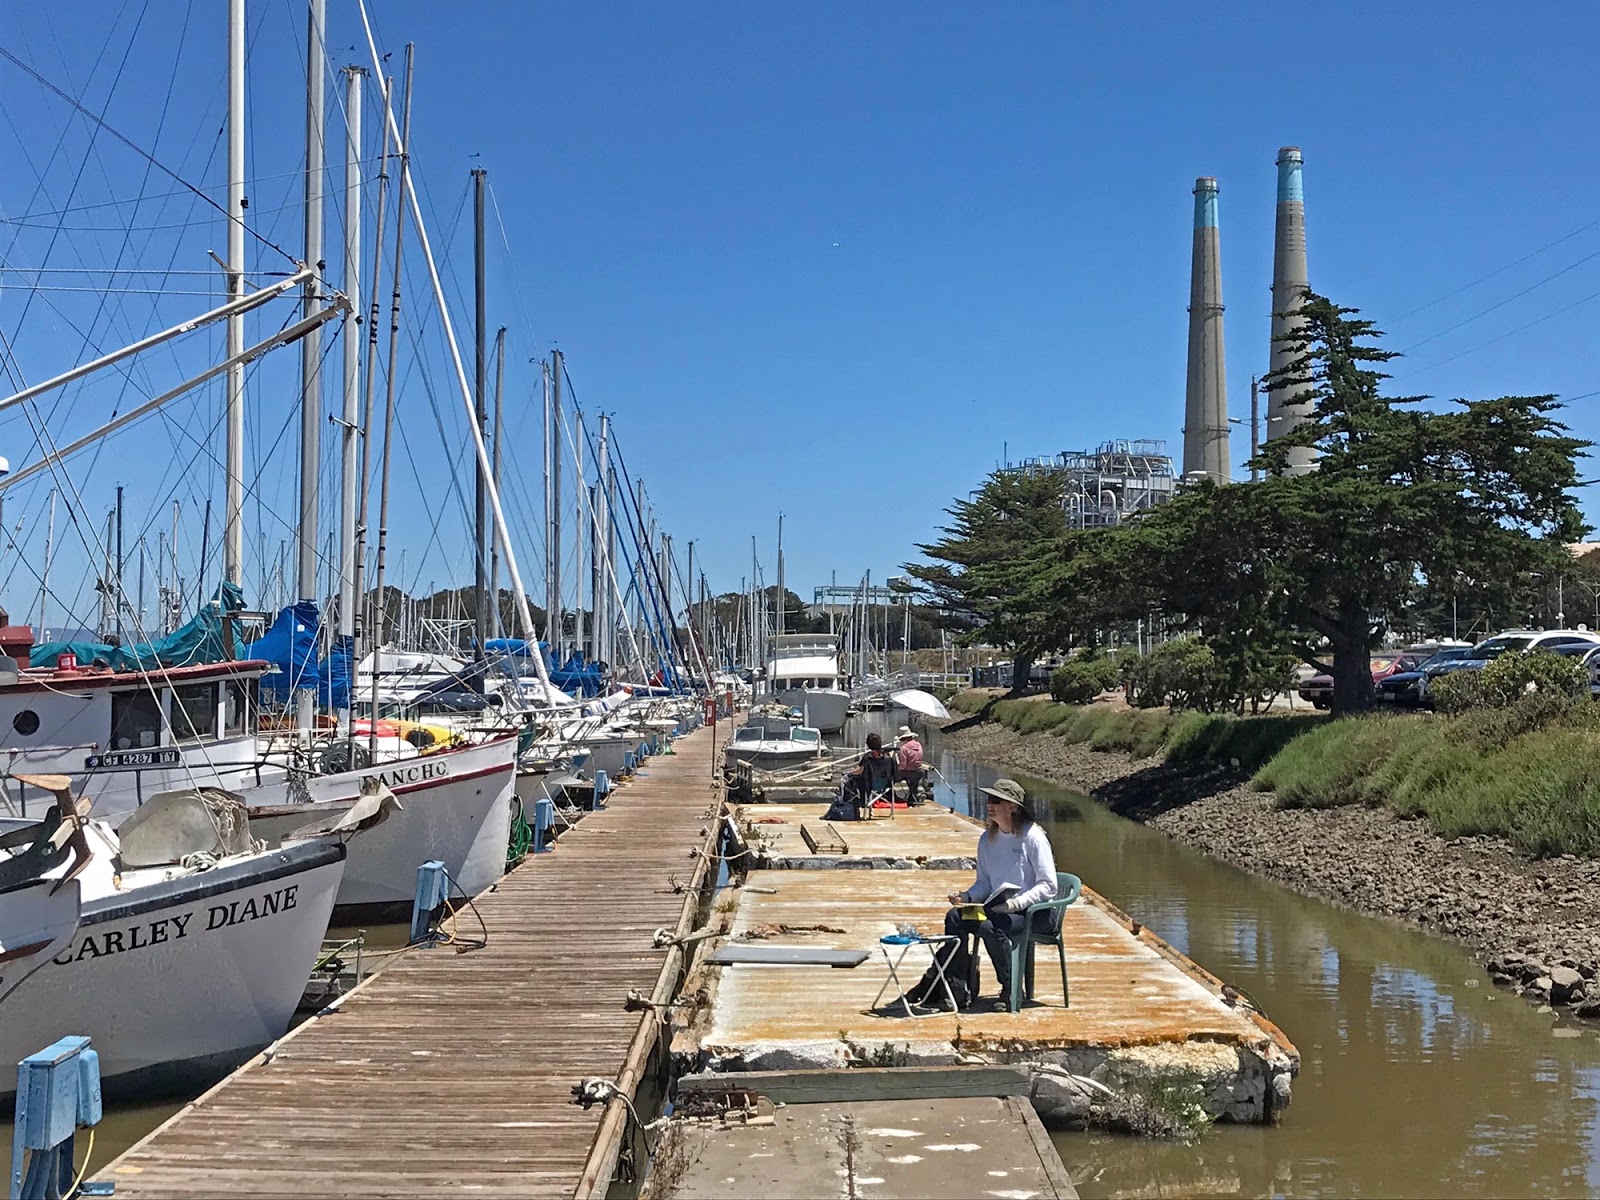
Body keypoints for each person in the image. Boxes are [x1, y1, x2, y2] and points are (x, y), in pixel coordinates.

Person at [911, 779, 1057, 1011]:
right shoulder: (987, 839)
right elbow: (985, 883)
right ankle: (958, 987)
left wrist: (1016, 903)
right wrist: (967, 897)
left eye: (996, 800)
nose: (989, 804)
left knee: (990, 927)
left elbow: (1049, 886)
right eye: (988, 799)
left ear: (1013, 807)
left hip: (1035, 912)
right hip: (998, 907)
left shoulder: (1033, 836)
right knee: (955, 917)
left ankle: (1011, 989)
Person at [829, 732, 897, 819]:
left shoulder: (867, 758)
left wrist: (849, 773)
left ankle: (855, 807)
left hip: (869, 785)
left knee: (848, 784)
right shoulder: (888, 758)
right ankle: (866, 805)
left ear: (868, 744)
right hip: (885, 784)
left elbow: (860, 771)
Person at [894, 726, 925, 804]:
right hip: (919, 771)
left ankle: (891, 796)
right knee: (913, 785)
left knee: (890, 777)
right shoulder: (919, 745)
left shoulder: (904, 748)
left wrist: (896, 767)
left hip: (908, 773)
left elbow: (903, 766)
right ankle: (912, 798)